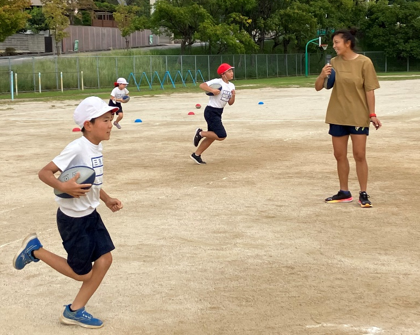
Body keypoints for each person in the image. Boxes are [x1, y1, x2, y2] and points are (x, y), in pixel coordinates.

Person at [12, 96, 123, 328]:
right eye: (105, 119)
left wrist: (107, 198)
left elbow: (92, 181)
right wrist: (62, 186)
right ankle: (36, 251)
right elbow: (44, 172)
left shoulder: (96, 146)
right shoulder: (77, 147)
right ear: (88, 124)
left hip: (91, 215)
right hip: (74, 221)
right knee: (81, 273)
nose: (110, 123)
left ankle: (75, 310)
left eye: (111, 118)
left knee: (105, 260)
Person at [315, 29, 382, 208]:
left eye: (337, 42)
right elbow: (319, 87)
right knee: (339, 155)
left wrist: (372, 114)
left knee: (359, 155)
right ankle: (344, 192)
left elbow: (370, 90)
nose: (334, 45)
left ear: (347, 43)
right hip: (337, 115)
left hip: (358, 115)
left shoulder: (364, 62)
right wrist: (322, 75)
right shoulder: (333, 63)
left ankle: (363, 193)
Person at [191, 63, 236, 164]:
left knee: (212, 137)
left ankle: (196, 155)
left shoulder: (231, 86)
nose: (232, 73)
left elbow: (230, 103)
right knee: (221, 135)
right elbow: (202, 85)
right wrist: (212, 90)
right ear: (223, 74)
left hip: (218, 112)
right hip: (211, 111)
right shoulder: (217, 82)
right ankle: (200, 133)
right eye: (229, 71)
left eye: (231, 71)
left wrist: (233, 96)